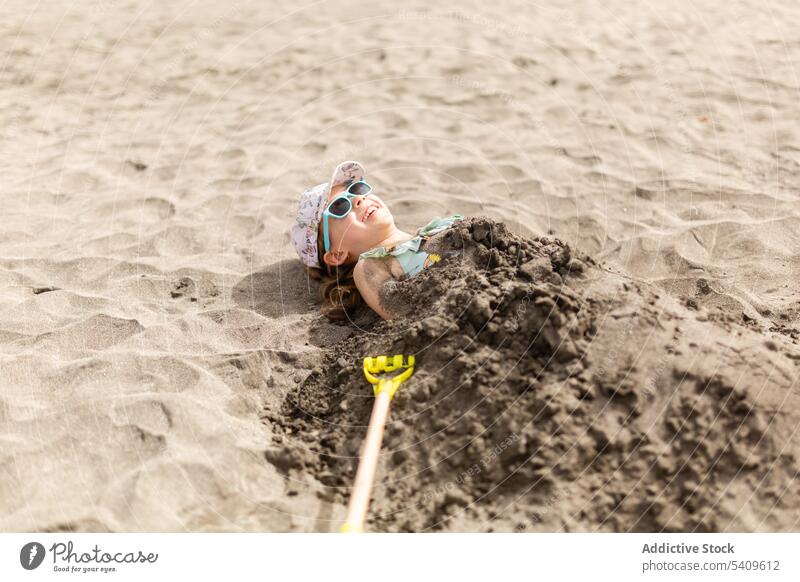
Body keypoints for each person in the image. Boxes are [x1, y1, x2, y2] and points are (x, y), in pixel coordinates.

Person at [291, 161, 463, 320]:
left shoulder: (434, 229)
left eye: (356, 189)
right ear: (337, 254)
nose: (359, 199)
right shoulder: (370, 266)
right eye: (340, 206)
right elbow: (407, 317)